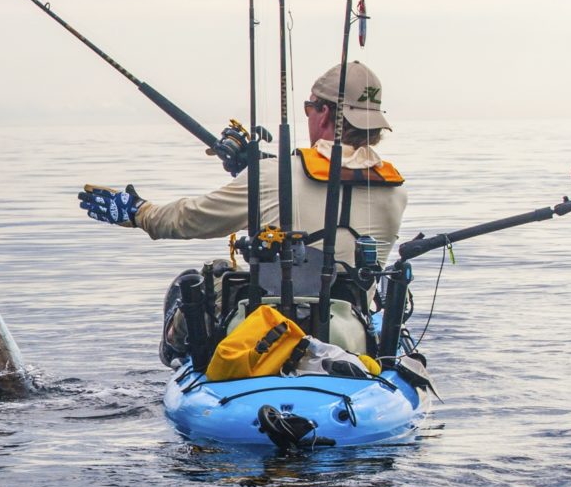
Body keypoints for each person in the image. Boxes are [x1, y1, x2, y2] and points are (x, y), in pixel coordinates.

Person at [78, 61, 408, 363]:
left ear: (323, 114)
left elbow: (191, 219)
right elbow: (322, 183)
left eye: (308, 108)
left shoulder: (272, 176)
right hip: (350, 330)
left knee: (195, 283)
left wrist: (139, 213)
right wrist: (260, 167)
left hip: (267, 331)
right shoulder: (395, 190)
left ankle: (178, 358)